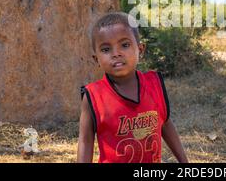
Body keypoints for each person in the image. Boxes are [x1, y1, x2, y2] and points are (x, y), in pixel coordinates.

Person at [77, 12, 188, 163]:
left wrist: (185, 163)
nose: (116, 54)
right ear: (96, 59)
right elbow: (85, 141)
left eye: (125, 45)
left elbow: (165, 123)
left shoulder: (154, 85)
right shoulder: (93, 96)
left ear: (140, 50)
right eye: (105, 49)